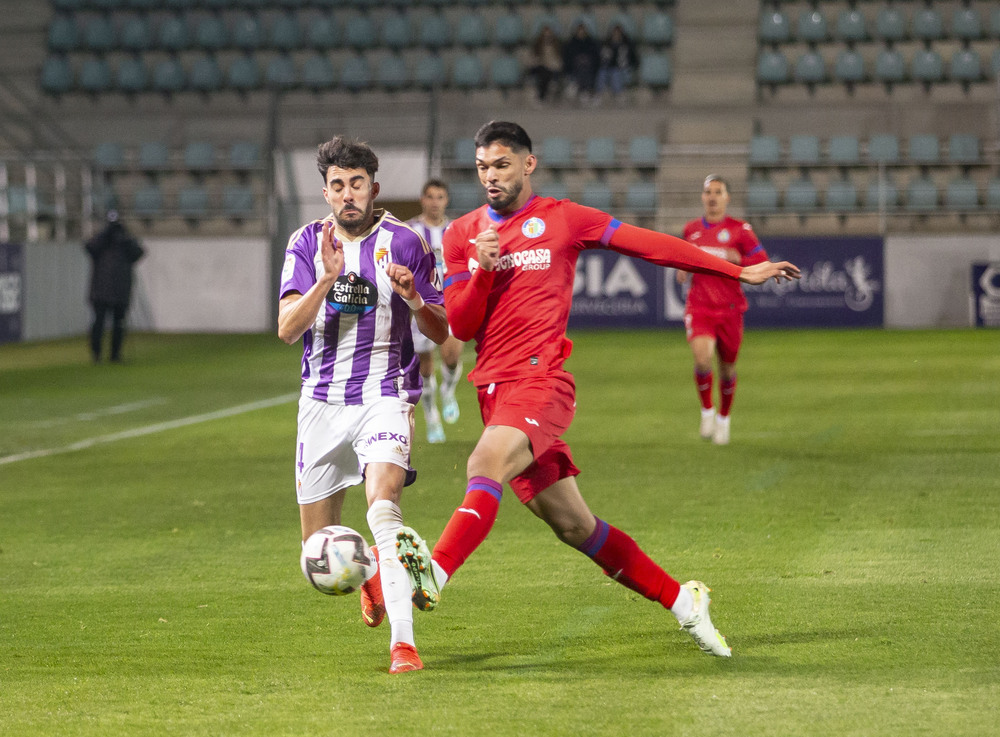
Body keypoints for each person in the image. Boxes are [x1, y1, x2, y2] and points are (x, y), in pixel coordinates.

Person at [394, 121, 800, 661]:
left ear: (528, 164)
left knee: (482, 465)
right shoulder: (463, 234)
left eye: (501, 165)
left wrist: (735, 272)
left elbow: (649, 245)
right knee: (575, 526)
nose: (491, 177)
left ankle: (434, 574)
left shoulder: (564, 218)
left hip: (542, 383)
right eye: (483, 168)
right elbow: (462, 327)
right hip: (494, 391)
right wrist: (484, 269)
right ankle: (683, 601)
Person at [277, 136, 449, 674]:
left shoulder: (406, 242)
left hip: (386, 393)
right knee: (316, 551)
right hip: (322, 402)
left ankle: (404, 644)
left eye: (357, 184)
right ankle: (374, 572)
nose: (347, 194)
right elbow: (286, 329)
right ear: (325, 193)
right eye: (337, 186)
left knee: (383, 508)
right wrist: (326, 278)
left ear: (373, 189)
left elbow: (443, 331)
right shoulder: (306, 243)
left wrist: (415, 298)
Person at [676, 175, 768, 446]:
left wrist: (740, 258)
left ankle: (724, 418)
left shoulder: (740, 230)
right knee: (702, 360)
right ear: (702, 197)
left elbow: (762, 261)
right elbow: (682, 257)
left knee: (727, 369)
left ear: (727, 197)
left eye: (718, 192)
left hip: (730, 309)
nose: (713, 197)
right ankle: (707, 410)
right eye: (708, 192)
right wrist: (682, 266)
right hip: (700, 306)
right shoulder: (691, 230)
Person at [406, 179, 465, 444]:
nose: (434, 202)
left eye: (440, 197)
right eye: (430, 196)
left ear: (446, 200)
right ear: (422, 199)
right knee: (425, 366)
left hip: (451, 302)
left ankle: (449, 391)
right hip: (420, 306)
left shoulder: (457, 229)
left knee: (451, 356)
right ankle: (431, 415)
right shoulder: (410, 230)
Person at [84, 210, 144, 363]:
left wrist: (125, 238)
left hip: (119, 290)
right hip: (102, 291)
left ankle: (114, 354)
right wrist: (105, 235)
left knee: (119, 324)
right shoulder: (101, 241)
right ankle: (96, 353)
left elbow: (139, 253)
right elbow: (89, 247)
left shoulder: (125, 242)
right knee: (99, 323)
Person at [595, 24, 639, 103]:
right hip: (609, 68)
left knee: (615, 72)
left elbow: (633, 59)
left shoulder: (627, 45)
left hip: (622, 69)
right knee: (602, 72)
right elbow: (603, 60)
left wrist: (631, 66)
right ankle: (599, 94)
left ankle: (618, 94)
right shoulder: (607, 45)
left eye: (618, 33)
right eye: (615, 33)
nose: (616, 35)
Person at [562, 21, 601, 104]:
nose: (581, 33)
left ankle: (583, 90)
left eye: (583, 31)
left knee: (585, 68)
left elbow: (595, 56)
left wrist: (586, 59)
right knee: (581, 67)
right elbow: (567, 58)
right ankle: (585, 90)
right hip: (574, 67)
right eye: (579, 31)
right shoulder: (571, 43)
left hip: (589, 66)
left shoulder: (591, 43)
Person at [527, 25, 563, 104]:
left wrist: (549, 64)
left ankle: (542, 96)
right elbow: (532, 61)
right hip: (539, 67)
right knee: (542, 72)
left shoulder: (556, 47)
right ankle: (542, 96)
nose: (547, 36)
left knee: (546, 74)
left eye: (549, 34)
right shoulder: (537, 46)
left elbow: (558, 62)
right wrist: (540, 62)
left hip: (551, 68)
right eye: (545, 34)